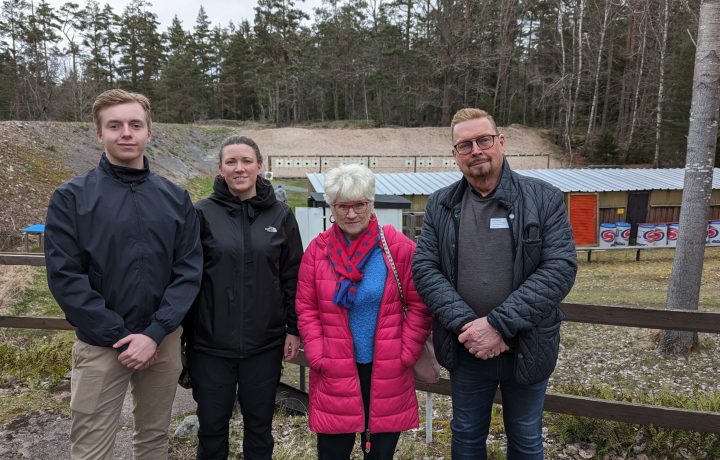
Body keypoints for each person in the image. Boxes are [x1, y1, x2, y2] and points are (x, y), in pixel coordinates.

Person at [44, 89, 203, 459]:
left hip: (161, 343)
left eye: (135, 124)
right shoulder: (71, 198)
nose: (126, 133)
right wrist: (121, 336)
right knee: (91, 446)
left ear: (149, 132)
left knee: (153, 439)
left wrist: (154, 333)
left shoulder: (175, 198)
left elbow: (188, 271)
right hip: (102, 346)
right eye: (114, 126)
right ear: (100, 135)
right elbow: (65, 277)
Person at [412, 108, 578, 459]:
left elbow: (560, 268)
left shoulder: (544, 199)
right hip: (467, 348)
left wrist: (499, 326)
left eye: (483, 140)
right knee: (467, 436)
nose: (476, 150)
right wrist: (470, 328)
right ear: (454, 155)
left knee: (526, 438)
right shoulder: (441, 204)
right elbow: (425, 268)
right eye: (464, 144)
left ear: (500, 142)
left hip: (528, 344)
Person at [296, 163, 432, 460]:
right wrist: (318, 353)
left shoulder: (397, 247)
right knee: (332, 453)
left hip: (387, 368)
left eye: (360, 204)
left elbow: (420, 303)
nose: (352, 213)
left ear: (372, 203)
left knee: (380, 454)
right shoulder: (317, 252)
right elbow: (306, 308)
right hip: (335, 368)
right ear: (332, 206)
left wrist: (406, 352)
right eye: (344, 206)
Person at [183, 134, 303, 460]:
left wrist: (293, 328)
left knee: (260, 431)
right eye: (231, 162)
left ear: (260, 166)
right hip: (209, 347)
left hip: (264, 346)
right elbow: (185, 276)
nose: (239, 168)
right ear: (221, 168)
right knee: (211, 430)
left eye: (246, 161)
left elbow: (293, 276)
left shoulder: (280, 216)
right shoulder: (201, 214)